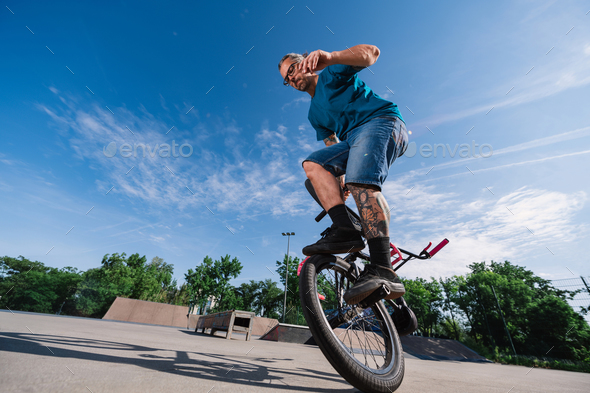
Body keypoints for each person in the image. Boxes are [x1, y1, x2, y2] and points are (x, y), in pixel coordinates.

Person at [278, 45, 408, 305]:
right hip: (353, 143)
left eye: (292, 69)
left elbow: (372, 53)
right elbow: (331, 146)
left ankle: (383, 267)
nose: (291, 78)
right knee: (313, 167)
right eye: (286, 79)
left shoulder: (331, 72)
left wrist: (329, 58)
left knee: (359, 181)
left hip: (381, 122)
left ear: (304, 62)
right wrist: (338, 188)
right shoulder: (314, 115)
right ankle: (345, 229)